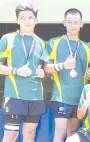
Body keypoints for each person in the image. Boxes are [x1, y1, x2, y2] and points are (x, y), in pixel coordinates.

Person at [43, 8, 90, 142]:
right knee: (59, 134)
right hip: (61, 96)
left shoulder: (86, 47)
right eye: (70, 22)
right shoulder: (54, 42)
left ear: (82, 24)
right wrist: (63, 65)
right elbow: (46, 68)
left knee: (72, 134)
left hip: (79, 98)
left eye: (76, 22)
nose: (73, 25)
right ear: (64, 23)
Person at [0, 3, 46, 142]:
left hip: (36, 96)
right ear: (17, 20)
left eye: (30, 17)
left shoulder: (41, 43)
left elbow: (45, 69)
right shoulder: (7, 39)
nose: (27, 21)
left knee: (30, 134)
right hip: (14, 95)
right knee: (11, 136)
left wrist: (43, 73)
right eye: (23, 17)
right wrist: (15, 71)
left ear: (36, 20)